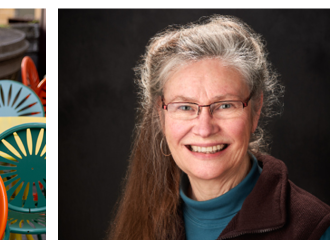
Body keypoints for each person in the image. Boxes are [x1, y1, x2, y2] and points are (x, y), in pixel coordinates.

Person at [109, 15, 330, 240]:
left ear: (256, 110)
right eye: (185, 107)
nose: (205, 129)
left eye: (225, 105)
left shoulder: (316, 229)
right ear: (161, 114)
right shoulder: (141, 217)